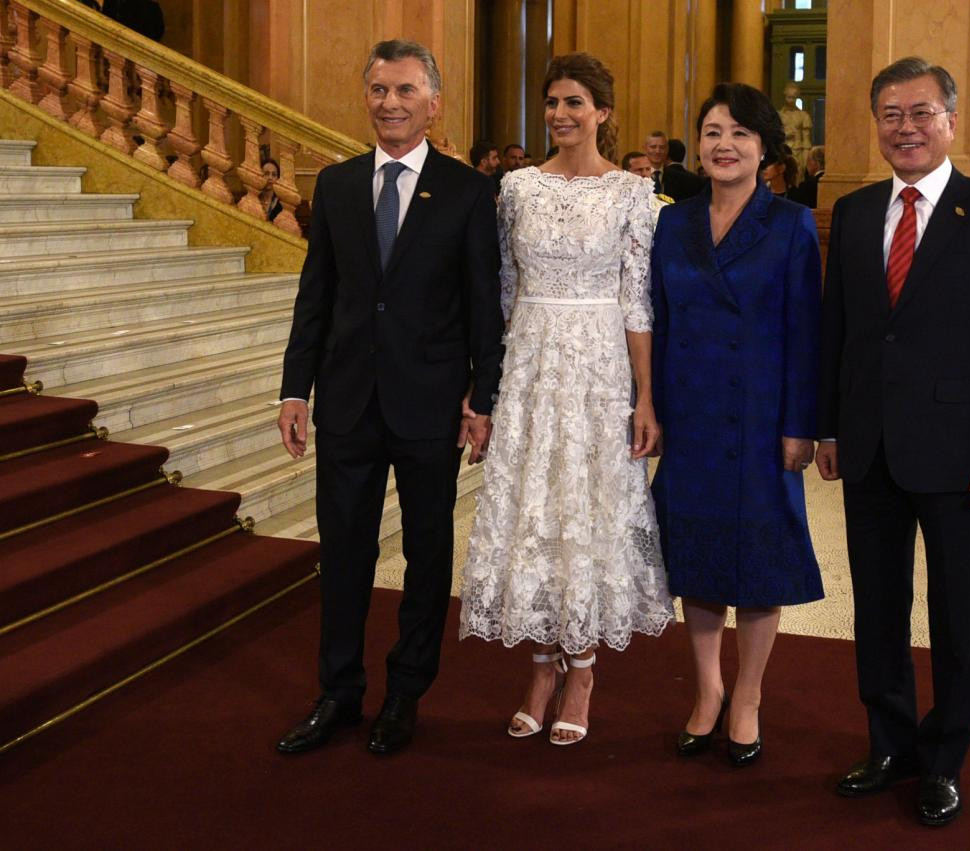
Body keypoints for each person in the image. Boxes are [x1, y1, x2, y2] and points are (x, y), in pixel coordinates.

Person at [816, 57, 970, 827]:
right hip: (870, 443)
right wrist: (829, 427)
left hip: (959, 452)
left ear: (950, 121)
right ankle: (889, 743)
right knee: (877, 607)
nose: (904, 127)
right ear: (875, 123)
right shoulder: (852, 213)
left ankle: (944, 759)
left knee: (958, 613)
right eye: (889, 114)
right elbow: (837, 333)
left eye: (919, 113)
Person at [275, 39, 504, 757]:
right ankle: (339, 691)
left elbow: (483, 309)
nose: (389, 104)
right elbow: (316, 298)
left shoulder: (467, 192)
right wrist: (294, 387)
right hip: (345, 402)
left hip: (430, 404)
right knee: (343, 552)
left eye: (405, 91)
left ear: (433, 104)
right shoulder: (338, 185)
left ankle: (406, 689)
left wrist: (483, 397)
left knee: (429, 553)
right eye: (378, 89)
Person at [459, 52, 674, 745]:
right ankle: (541, 665)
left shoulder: (632, 195)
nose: (560, 114)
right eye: (552, 102)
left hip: (599, 367)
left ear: (603, 113)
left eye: (575, 102)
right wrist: (484, 388)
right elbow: (498, 294)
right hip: (530, 362)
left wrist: (645, 397)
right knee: (537, 508)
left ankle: (581, 667)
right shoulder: (516, 188)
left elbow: (636, 301)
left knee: (587, 507)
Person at [650, 82, 824, 768]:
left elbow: (806, 333)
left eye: (739, 134)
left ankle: (747, 696)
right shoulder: (672, 222)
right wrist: (651, 406)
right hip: (689, 410)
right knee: (697, 553)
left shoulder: (791, 225)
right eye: (713, 131)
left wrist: (800, 424)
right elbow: (657, 322)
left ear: (764, 149)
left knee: (758, 560)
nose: (724, 145)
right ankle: (707, 689)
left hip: (758, 415)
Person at [258, 157, 284, 223]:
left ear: (277, 179)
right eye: (266, 174)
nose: (270, 178)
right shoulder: (253, 199)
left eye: (274, 175)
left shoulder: (282, 204)